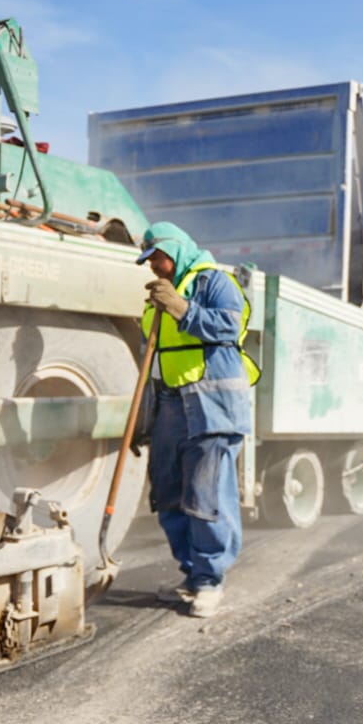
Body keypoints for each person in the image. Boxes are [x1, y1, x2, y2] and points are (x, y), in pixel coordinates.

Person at [137, 221, 255, 618]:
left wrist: (180, 307)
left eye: (158, 258)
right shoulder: (160, 295)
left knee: (206, 497)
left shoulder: (213, 281)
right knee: (168, 493)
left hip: (213, 407)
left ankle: (210, 580)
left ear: (177, 251)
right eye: (149, 260)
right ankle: (191, 574)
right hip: (171, 407)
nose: (153, 266)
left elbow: (230, 325)